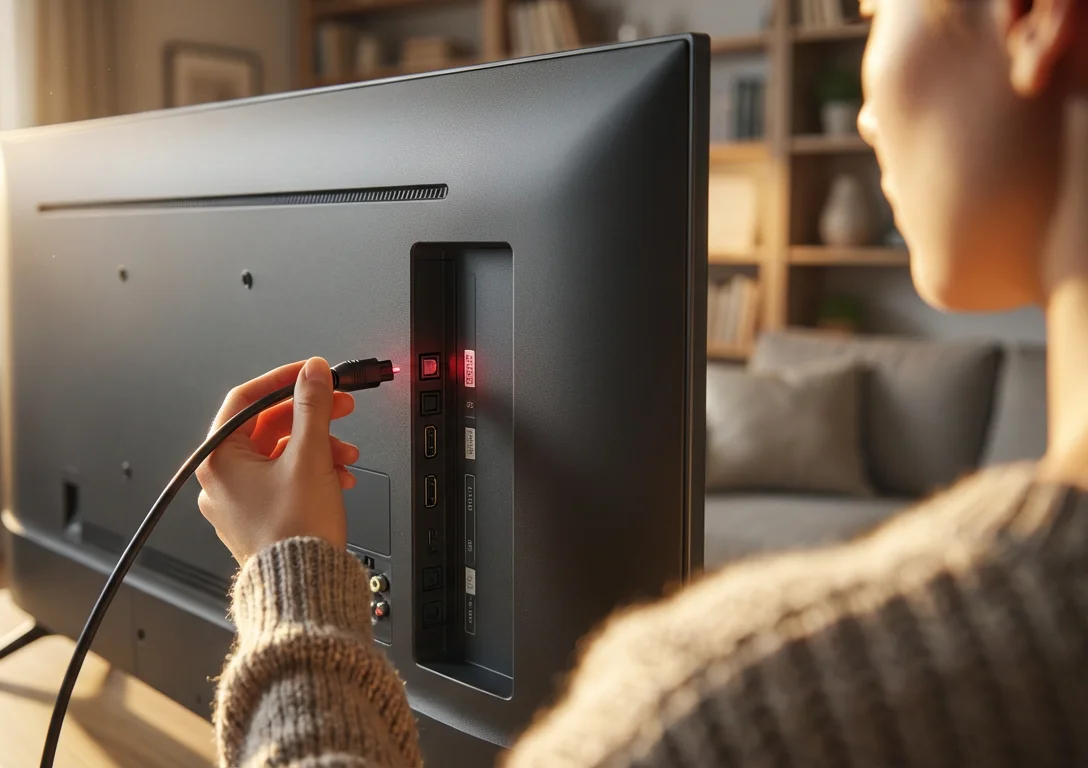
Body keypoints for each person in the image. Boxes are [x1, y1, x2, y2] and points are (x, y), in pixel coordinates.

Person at [195, 0, 1088, 764]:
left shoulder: (733, 706)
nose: (862, 113)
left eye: (874, 9)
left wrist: (290, 578)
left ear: (1032, 17)